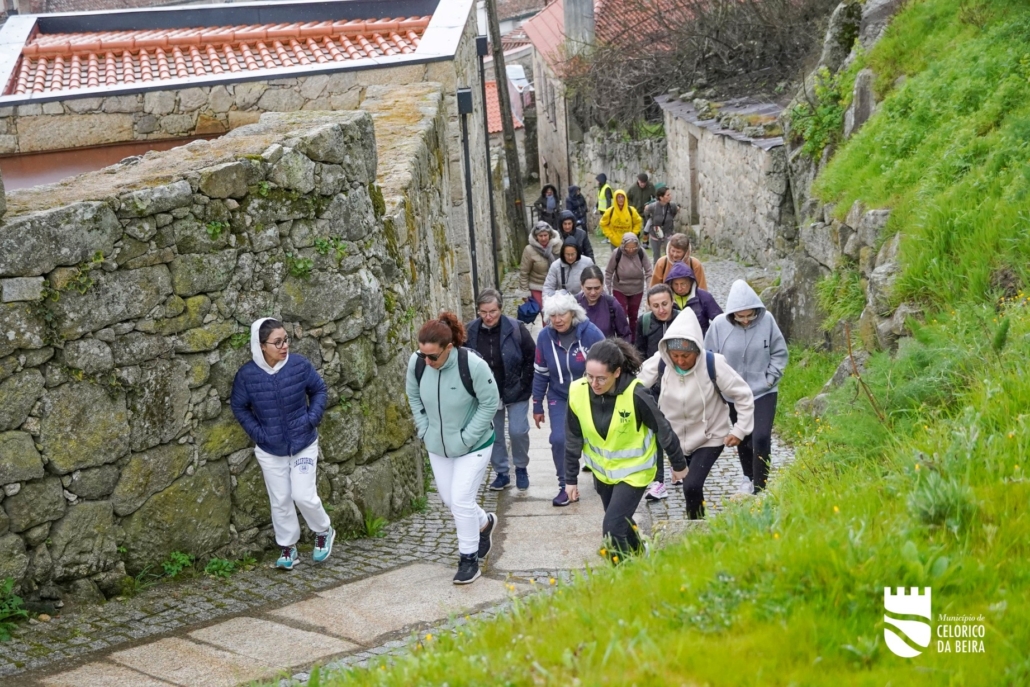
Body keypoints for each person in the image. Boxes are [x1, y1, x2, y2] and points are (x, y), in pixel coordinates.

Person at [565, 339, 686, 558]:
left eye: (601, 378)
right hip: (603, 473)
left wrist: (678, 464)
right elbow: (573, 436)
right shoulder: (577, 391)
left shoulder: (636, 394)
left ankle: (626, 579)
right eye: (589, 376)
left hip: (635, 473)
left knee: (611, 528)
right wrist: (570, 478)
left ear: (617, 372)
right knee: (620, 521)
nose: (594, 383)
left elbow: (663, 428)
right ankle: (641, 554)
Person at [231, 318, 335, 570]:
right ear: (261, 345)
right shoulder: (247, 375)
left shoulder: (299, 365)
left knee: (303, 495)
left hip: (303, 443)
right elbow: (239, 406)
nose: (284, 346)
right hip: (269, 448)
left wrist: (311, 419)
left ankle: (324, 531)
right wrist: (259, 434)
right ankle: (288, 548)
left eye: (285, 340)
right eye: (277, 342)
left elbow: (319, 390)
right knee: (280, 500)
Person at [405, 313, 500, 584]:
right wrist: (424, 429)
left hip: (475, 445)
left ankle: (469, 560)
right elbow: (413, 396)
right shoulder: (418, 363)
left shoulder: (472, 365)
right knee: (451, 500)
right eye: (422, 354)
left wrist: (467, 437)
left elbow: (489, 403)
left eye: (432, 356)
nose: (426, 361)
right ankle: (484, 523)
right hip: (438, 446)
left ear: (449, 348)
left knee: (460, 500)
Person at [638, 309, 755, 519]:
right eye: (675, 356)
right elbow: (635, 388)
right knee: (692, 489)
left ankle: (696, 528)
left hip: (710, 436)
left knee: (691, 485)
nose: (680, 361)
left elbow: (743, 395)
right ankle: (699, 528)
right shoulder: (661, 362)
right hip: (675, 440)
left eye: (686, 355)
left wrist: (740, 430)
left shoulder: (714, 364)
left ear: (697, 351)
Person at [705, 280, 788, 496]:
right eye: (740, 316)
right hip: (733, 394)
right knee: (743, 436)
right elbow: (708, 356)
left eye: (749, 315)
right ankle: (747, 477)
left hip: (764, 391)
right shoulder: (718, 325)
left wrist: (770, 378)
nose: (745, 320)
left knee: (760, 436)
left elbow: (780, 352)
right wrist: (718, 384)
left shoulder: (767, 321)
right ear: (732, 313)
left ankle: (760, 487)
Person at [532, 292, 605, 506]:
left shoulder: (591, 333)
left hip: (592, 394)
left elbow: (609, 363)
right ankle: (565, 485)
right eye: (552, 315)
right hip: (560, 395)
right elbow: (540, 372)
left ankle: (603, 477)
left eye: (562, 314)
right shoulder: (545, 337)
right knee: (558, 439)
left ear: (573, 313)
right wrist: (537, 404)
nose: (557, 319)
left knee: (596, 437)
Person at [466, 290, 537, 492]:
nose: (488, 317)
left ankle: (521, 467)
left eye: (493, 311)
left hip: (516, 388)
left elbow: (531, 357)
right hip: (486, 393)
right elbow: (464, 359)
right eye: (483, 312)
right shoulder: (470, 331)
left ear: (500, 309)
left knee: (518, 430)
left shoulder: (516, 329)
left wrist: (525, 385)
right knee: (494, 434)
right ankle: (502, 472)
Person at [634, 284, 681, 501]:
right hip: (654, 386)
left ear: (672, 301)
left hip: (680, 383)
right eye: (656, 306)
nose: (661, 309)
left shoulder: (683, 319)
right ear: (649, 306)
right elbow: (639, 353)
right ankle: (658, 481)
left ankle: (681, 468)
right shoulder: (644, 323)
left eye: (665, 304)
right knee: (656, 432)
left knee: (679, 428)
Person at [604, 232, 653, 341]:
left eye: (633, 247)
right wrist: (608, 289)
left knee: (633, 316)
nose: (631, 250)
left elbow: (649, 271)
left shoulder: (641, 252)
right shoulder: (617, 253)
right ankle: (622, 338)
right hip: (620, 288)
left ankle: (633, 340)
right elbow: (608, 272)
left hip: (637, 289)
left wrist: (649, 287)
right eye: (628, 247)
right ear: (623, 245)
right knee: (621, 315)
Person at [664, 261, 722, 336]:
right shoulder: (667, 299)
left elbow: (719, 320)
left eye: (683, 284)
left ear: (691, 282)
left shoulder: (704, 297)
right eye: (675, 284)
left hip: (700, 340)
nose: (679, 288)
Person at [576, 265, 631, 339]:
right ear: (581, 286)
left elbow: (625, 335)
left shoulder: (612, 304)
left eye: (597, 288)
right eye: (589, 288)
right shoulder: (574, 304)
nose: (593, 292)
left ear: (602, 285)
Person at [520, 222, 561, 309]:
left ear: (550, 235)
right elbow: (524, 272)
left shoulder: (558, 246)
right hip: (538, 287)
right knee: (546, 312)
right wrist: (525, 292)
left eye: (545, 235)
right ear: (536, 237)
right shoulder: (529, 250)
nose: (543, 238)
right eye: (540, 236)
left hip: (556, 286)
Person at [642, 185, 677, 262]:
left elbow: (674, 214)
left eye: (670, 194)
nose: (670, 196)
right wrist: (652, 223)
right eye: (668, 195)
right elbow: (646, 213)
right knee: (656, 256)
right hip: (655, 234)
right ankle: (657, 272)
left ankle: (669, 272)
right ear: (661, 197)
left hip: (668, 233)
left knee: (669, 255)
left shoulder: (672, 206)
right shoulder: (652, 207)